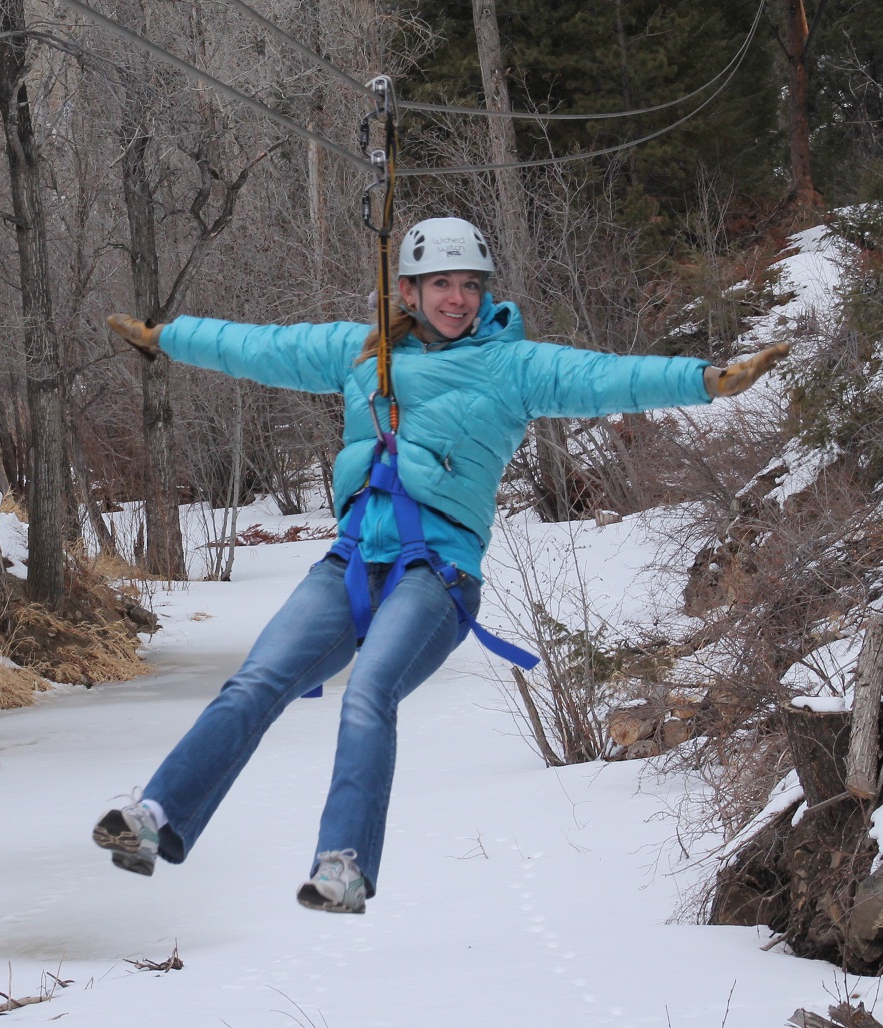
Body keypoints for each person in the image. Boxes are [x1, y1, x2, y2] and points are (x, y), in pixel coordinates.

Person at [91, 216, 788, 914]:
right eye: (441, 285)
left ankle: (344, 867)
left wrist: (707, 381)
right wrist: (167, 339)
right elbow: (261, 346)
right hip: (352, 561)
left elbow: (604, 376)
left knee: (368, 692)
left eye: (469, 286)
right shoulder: (363, 353)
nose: (457, 299)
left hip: (438, 575)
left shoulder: (513, 367)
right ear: (407, 291)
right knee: (254, 682)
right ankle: (155, 821)